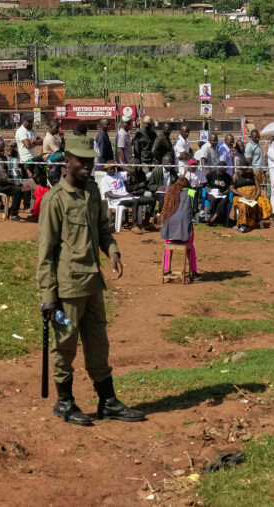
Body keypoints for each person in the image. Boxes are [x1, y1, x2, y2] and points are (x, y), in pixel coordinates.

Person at [38, 135, 142, 427]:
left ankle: (107, 401)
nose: (87, 166)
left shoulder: (93, 193)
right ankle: (65, 402)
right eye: (82, 161)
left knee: (99, 344)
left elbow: (102, 229)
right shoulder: (54, 200)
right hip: (67, 288)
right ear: (67, 162)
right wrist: (48, 295)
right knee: (65, 345)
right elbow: (45, 253)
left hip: (93, 283)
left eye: (91, 161)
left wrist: (113, 251)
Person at [159, 175, 200, 279]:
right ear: (188, 185)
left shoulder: (170, 192)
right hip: (184, 229)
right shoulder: (191, 192)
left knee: (168, 245)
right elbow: (195, 210)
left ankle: (166, 268)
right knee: (190, 246)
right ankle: (193, 271)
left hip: (168, 228)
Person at [229, 152, 273, 232]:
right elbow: (231, 188)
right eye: (240, 169)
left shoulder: (252, 175)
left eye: (243, 169)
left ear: (247, 168)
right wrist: (243, 195)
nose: (241, 171)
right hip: (240, 197)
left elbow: (259, 188)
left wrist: (255, 198)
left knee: (264, 201)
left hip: (253, 197)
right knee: (244, 205)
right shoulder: (236, 175)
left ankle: (271, 222)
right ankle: (243, 224)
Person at [124, 160, 158, 232]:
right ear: (132, 166)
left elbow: (144, 187)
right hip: (129, 196)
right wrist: (138, 186)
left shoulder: (142, 174)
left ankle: (146, 222)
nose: (138, 167)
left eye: (139, 165)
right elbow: (128, 189)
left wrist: (136, 190)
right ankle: (135, 225)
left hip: (139, 194)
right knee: (135, 201)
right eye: (136, 165)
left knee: (152, 199)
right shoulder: (127, 175)